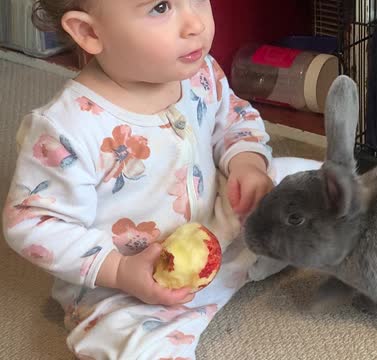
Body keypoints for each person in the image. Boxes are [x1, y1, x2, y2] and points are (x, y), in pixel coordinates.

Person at [3, 0, 320, 358]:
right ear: (90, 32)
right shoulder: (67, 129)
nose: (195, 25)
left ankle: (277, 253)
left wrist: (248, 164)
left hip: (226, 222)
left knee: (311, 184)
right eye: (160, 7)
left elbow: (234, 120)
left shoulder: (200, 72)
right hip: (135, 287)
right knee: (129, 346)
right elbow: (34, 223)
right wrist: (119, 269)